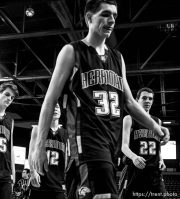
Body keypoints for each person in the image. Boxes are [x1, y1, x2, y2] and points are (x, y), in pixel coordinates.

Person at [30, 0, 170, 198]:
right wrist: (39, 146)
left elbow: (129, 101)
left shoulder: (117, 57)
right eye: (105, 14)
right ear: (89, 18)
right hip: (86, 142)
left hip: (109, 145)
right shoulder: (72, 51)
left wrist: (156, 128)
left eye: (114, 15)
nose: (111, 20)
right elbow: (50, 100)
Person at [120, 88, 166, 198]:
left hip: (154, 171)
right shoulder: (129, 118)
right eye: (144, 98)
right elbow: (124, 146)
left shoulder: (158, 121)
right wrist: (134, 157)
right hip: (135, 169)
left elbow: (157, 145)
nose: (148, 101)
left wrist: (161, 159)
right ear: (137, 100)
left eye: (150, 98)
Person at [29, 103, 68, 199]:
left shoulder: (66, 133)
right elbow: (31, 153)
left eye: (57, 107)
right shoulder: (37, 130)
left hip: (58, 183)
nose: (55, 109)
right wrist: (33, 172)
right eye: (52, 106)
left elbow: (67, 159)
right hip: (40, 182)